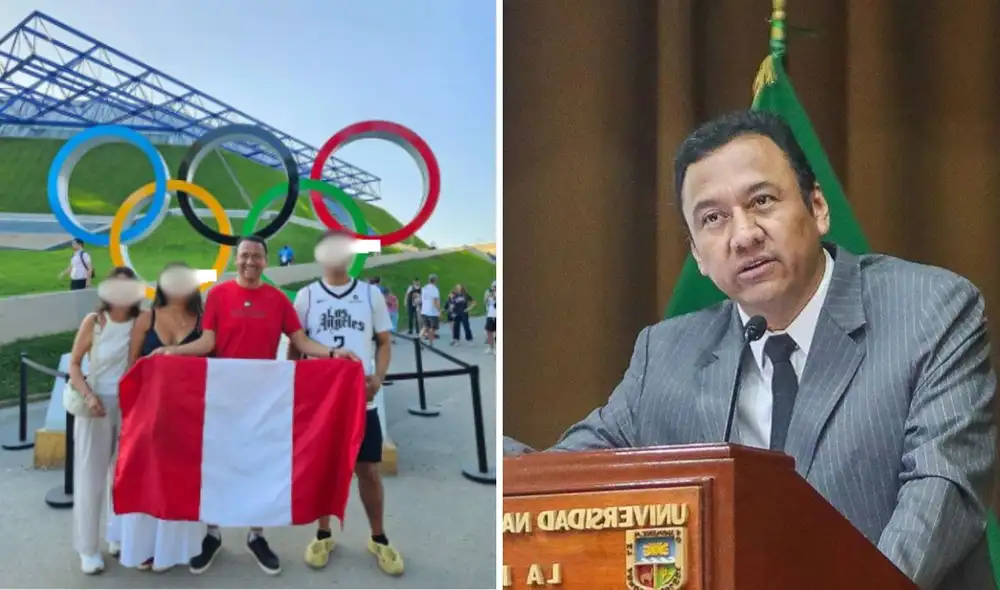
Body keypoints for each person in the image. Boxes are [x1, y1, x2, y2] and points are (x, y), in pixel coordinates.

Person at [503, 110, 996, 590]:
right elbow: (557, 482)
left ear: (818, 208)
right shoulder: (665, 354)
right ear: (697, 253)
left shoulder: (929, 310)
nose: (743, 235)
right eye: (713, 218)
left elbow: (941, 492)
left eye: (761, 201)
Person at [149, 235, 361, 577]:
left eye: (257, 257)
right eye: (245, 255)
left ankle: (256, 535)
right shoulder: (218, 294)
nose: (250, 261)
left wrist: (334, 353)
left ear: (265, 261)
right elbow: (208, 341)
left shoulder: (277, 299)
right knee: (218, 462)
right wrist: (174, 352)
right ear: (237, 259)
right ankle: (212, 534)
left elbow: (299, 339)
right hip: (223, 396)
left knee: (260, 463)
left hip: (263, 399)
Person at [289, 229, 404, 577]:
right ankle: (323, 534)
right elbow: (296, 346)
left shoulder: (370, 295)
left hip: (359, 399)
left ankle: (378, 537)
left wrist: (378, 379)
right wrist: (295, 386)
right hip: (321, 402)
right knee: (324, 468)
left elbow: (384, 342)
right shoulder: (307, 296)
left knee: (368, 469)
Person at [112, 262, 206, 572]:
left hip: (188, 418)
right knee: (145, 479)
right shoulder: (145, 319)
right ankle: (143, 546)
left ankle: (176, 547)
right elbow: (131, 369)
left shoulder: (203, 323)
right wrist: (128, 417)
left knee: (179, 481)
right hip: (146, 417)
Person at [68, 266, 142, 574]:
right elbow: (74, 364)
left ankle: (117, 534)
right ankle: (87, 548)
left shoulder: (141, 322)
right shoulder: (94, 322)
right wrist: (88, 395)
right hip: (95, 404)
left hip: (128, 406)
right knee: (90, 477)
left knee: (121, 475)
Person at [420, 274, 441, 345]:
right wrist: (438, 310)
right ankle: (431, 344)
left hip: (424, 310)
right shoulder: (434, 289)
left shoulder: (424, 288)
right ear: (435, 280)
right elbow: (435, 301)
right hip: (432, 312)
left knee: (425, 327)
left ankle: (419, 340)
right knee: (432, 328)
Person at [484, 283, 497, 354]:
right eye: (493, 287)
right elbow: (485, 302)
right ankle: (490, 347)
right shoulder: (489, 293)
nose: (493, 289)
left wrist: (495, 296)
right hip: (490, 314)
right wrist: (488, 296)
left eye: (495, 287)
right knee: (489, 331)